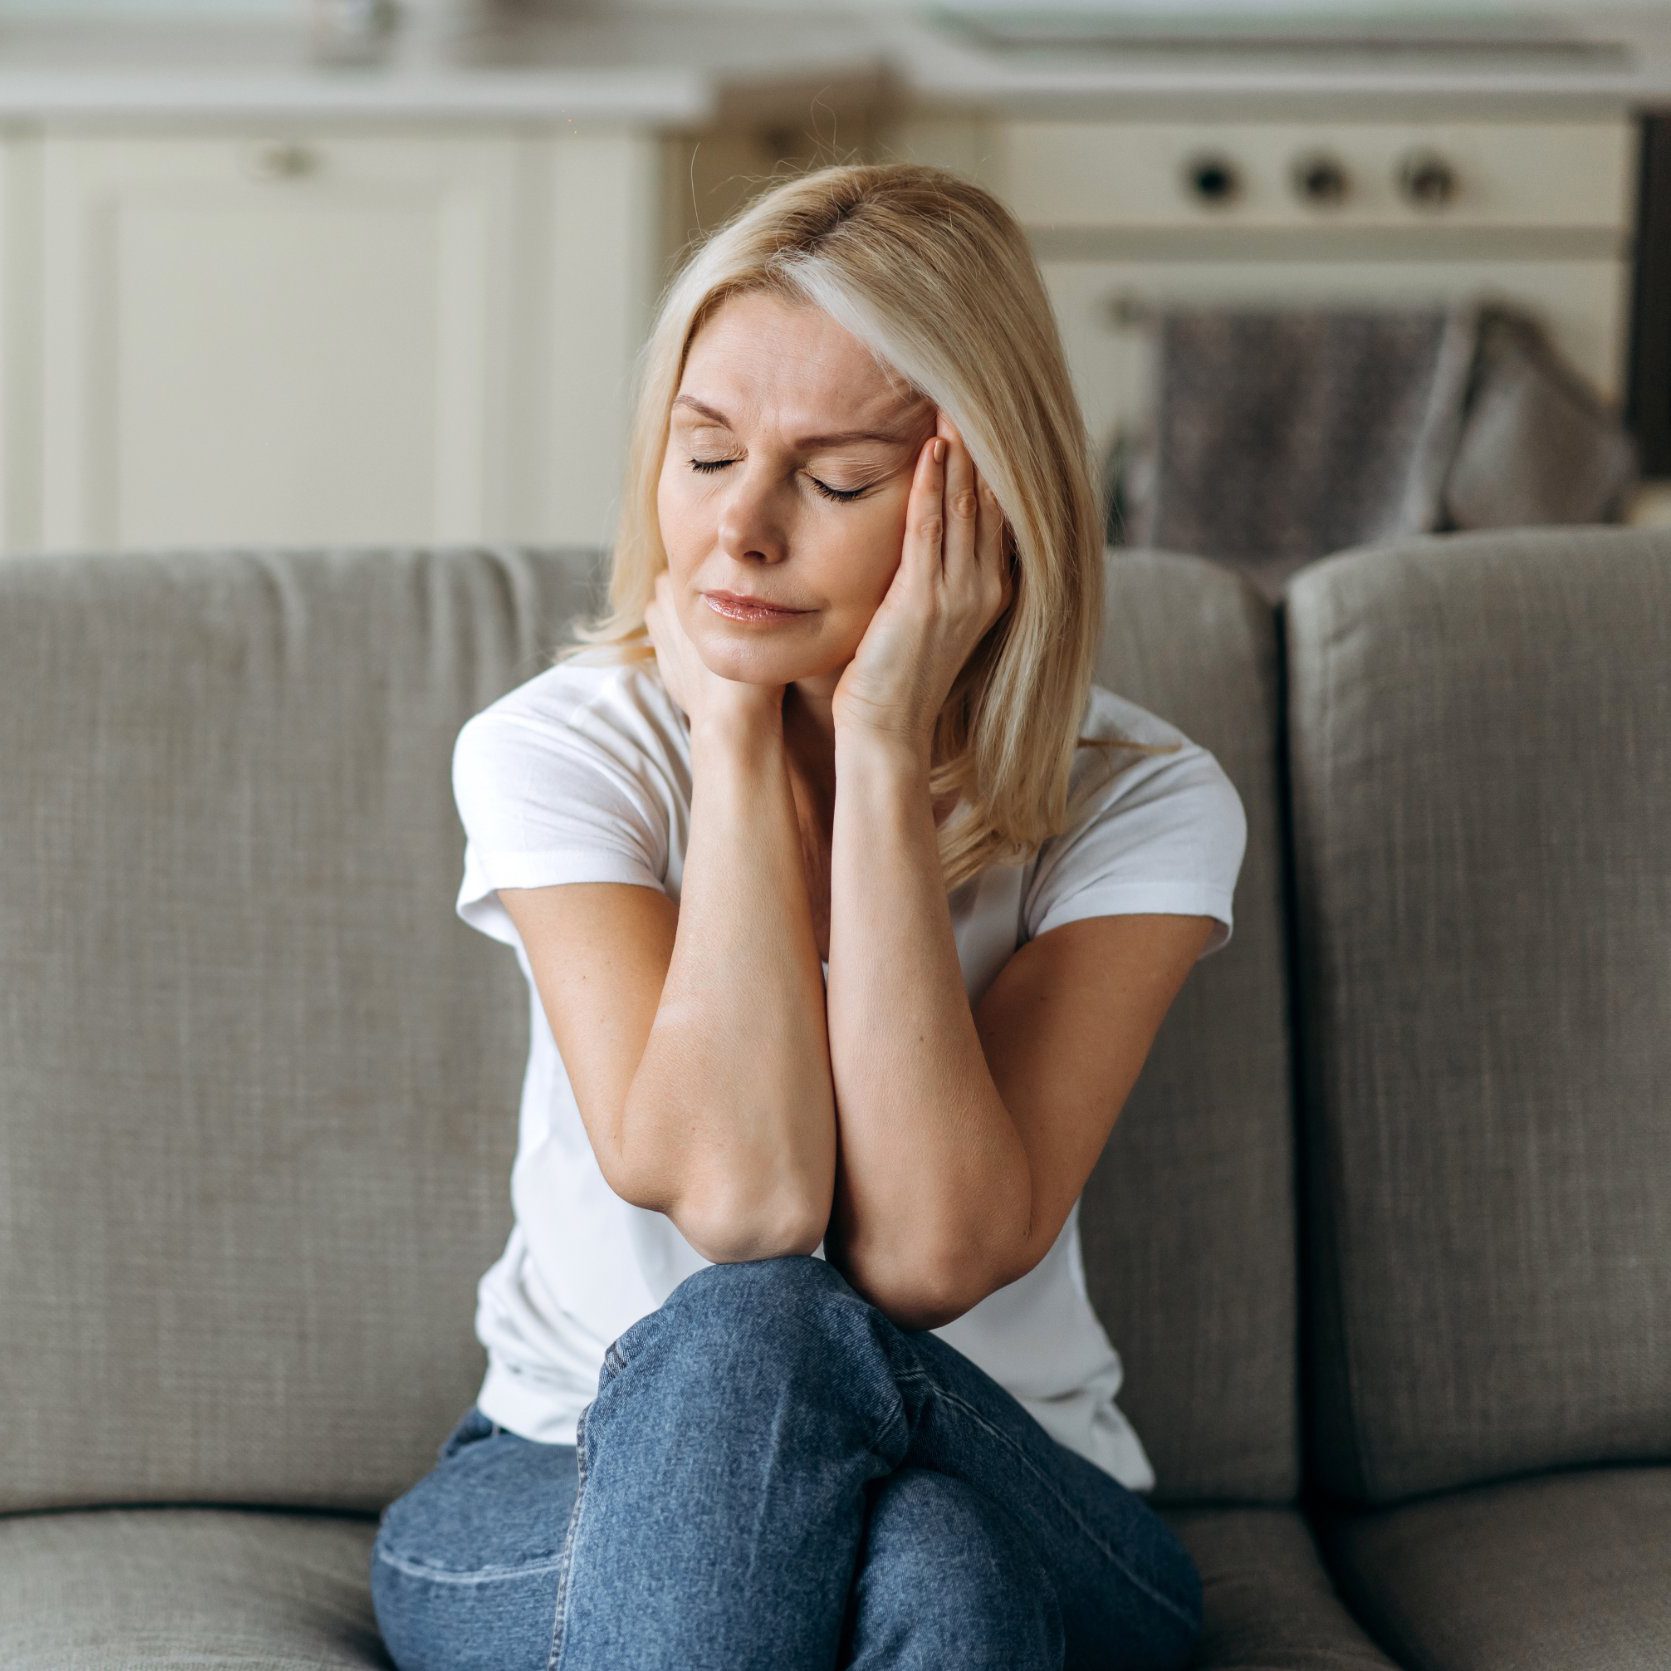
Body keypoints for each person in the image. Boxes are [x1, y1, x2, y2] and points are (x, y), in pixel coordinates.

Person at [370, 157, 1246, 1671]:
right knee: (903, 1537)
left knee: (875, 1450)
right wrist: (729, 740)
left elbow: (926, 1253)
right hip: (560, 1464)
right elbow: (745, 1196)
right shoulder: (558, 751)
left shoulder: (1144, 803)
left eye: (835, 482)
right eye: (705, 459)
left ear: (987, 504)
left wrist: (887, 749)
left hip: (1017, 1471)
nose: (743, 533)